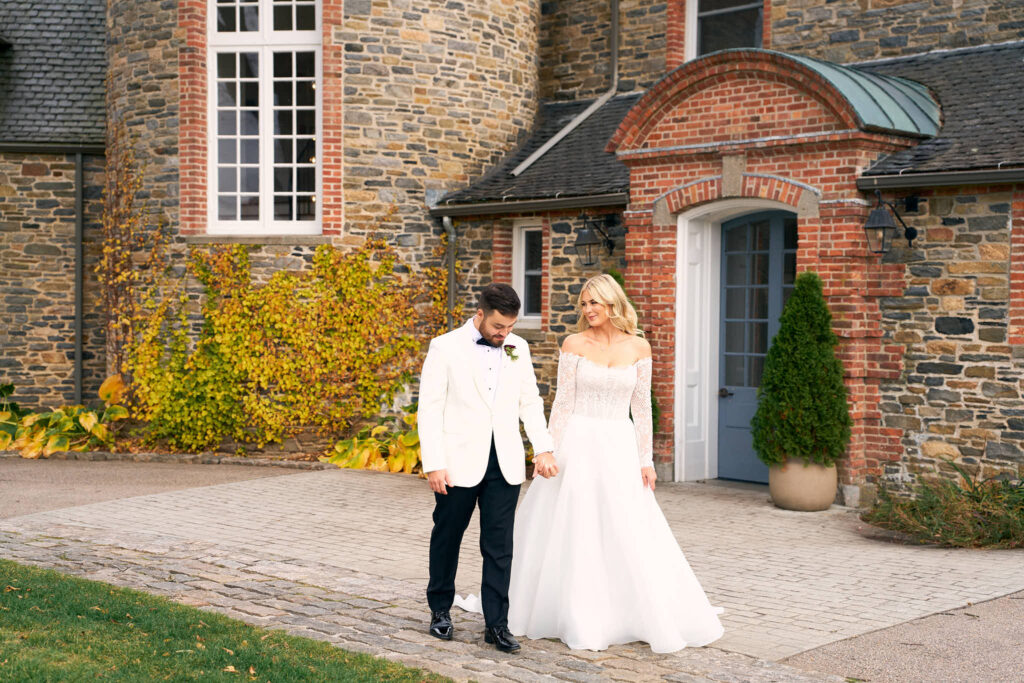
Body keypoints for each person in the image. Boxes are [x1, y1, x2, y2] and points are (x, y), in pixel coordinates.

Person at [507, 273, 724, 653]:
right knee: (573, 525)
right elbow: (563, 402)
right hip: (576, 442)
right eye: (584, 303)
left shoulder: (639, 348)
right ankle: (568, 608)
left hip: (618, 445)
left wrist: (646, 460)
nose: (588, 310)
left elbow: (642, 410)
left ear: (612, 303)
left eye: (595, 302)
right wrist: (548, 450)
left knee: (625, 525)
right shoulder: (573, 343)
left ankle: (629, 608)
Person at [418, 283, 555, 654]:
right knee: (448, 538)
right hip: (457, 463)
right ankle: (440, 610)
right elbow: (429, 409)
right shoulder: (445, 347)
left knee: (499, 547)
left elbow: (530, 401)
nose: (504, 334)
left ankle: (496, 624)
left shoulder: (518, 348)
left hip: (505, 464)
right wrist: (434, 463)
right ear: (479, 315)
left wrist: (542, 447)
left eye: (510, 327)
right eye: (498, 326)